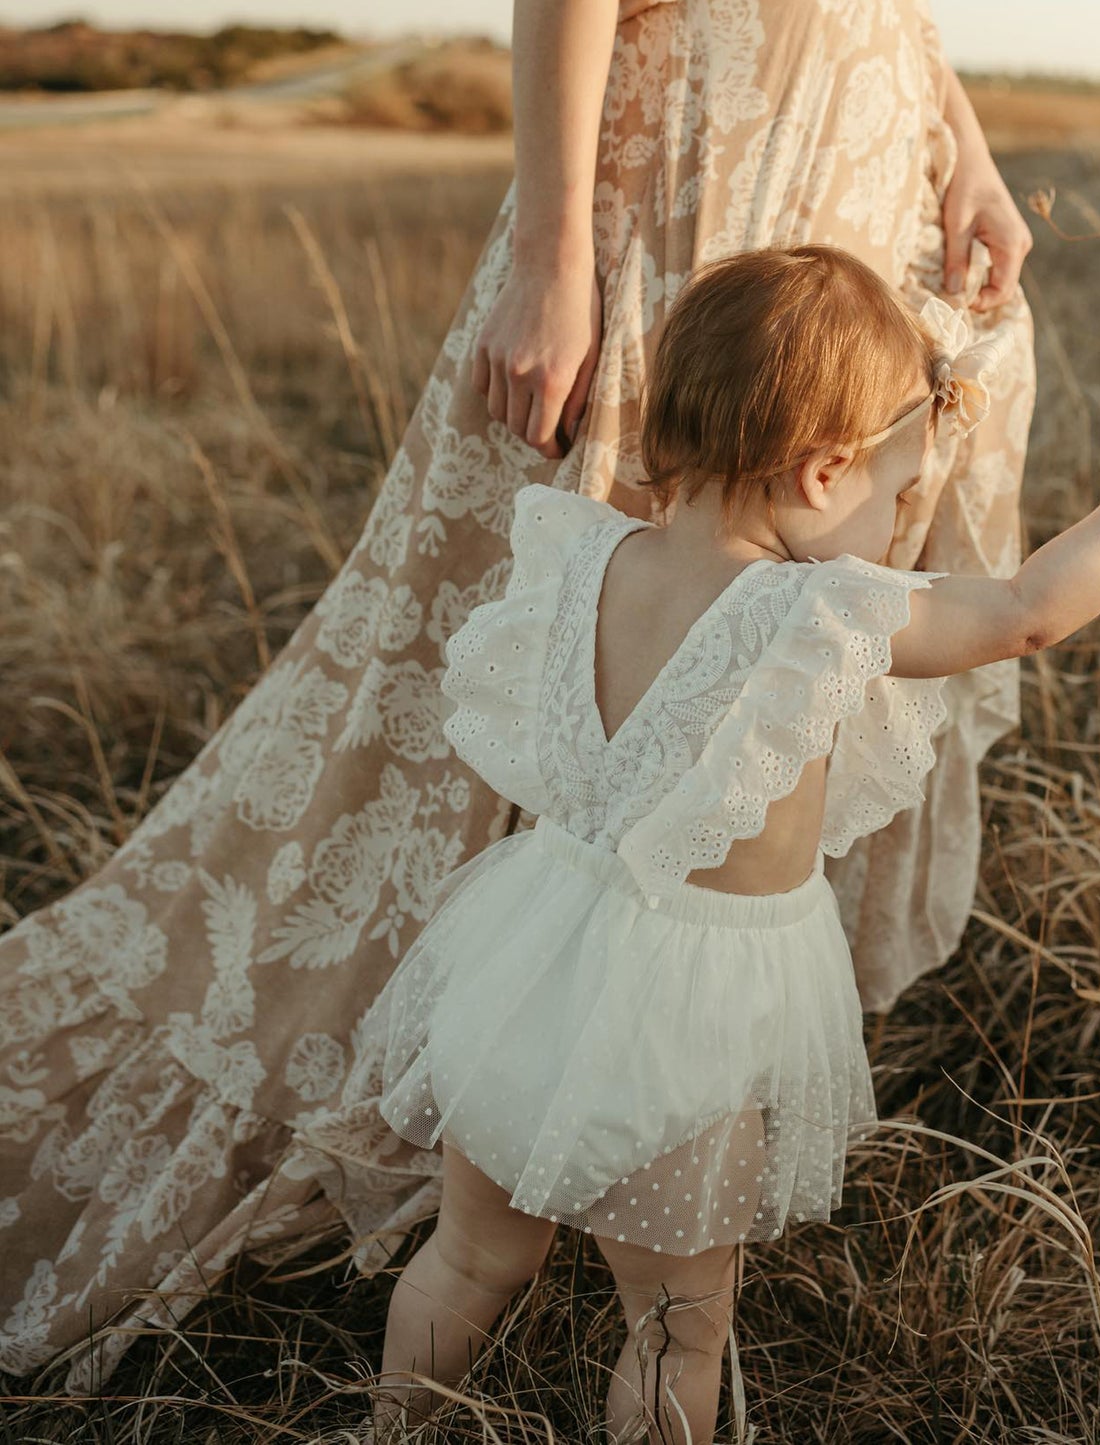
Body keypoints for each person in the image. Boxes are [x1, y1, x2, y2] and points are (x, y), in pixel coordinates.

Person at [0, 0, 1036, 1390]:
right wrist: (555, 248)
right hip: (697, 150)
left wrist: (957, 144)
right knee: (657, 580)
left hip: (861, 139)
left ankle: (588, 1116)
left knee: (768, 638)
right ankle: (504, 1093)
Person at [366, 244, 1100, 1444]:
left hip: (529, 963)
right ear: (823, 471)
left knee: (465, 1261)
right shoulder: (816, 610)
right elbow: (1028, 611)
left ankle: (389, 1426)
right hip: (688, 1021)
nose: (892, 522)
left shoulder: (585, 554)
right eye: (896, 491)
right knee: (675, 1320)